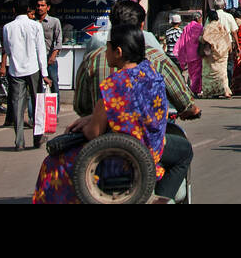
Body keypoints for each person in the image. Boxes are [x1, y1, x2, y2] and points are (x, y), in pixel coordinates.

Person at [33, 25, 191, 204]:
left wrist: (87, 123)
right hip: (153, 149)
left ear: (118, 52)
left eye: (107, 48)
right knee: (185, 151)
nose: (105, 52)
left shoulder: (113, 85)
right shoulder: (152, 73)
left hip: (116, 157)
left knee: (51, 163)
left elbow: (94, 133)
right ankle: (165, 198)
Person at [74, 0, 200, 122]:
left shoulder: (95, 60)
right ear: (141, 26)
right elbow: (184, 102)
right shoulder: (156, 59)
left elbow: (81, 107)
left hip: (104, 135)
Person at [0, 0, 50, 150]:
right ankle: (37, 137)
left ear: (14, 10)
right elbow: (41, 50)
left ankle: (19, 140)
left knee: (17, 105)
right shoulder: (35, 26)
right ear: (30, 10)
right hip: (33, 69)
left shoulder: (8, 27)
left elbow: (7, 49)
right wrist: (45, 73)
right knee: (37, 103)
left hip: (16, 70)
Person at [200, 9, 234, 98]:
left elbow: (205, 38)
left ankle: (209, 91)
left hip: (211, 54)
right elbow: (227, 38)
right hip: (223, 52)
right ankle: (225, 91)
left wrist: (199, 39)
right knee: (223, 73)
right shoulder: (222, 26)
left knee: (209, 73)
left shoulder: (208, 27)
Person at [35, 0, 63, 95]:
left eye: (42, 5)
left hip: (49, 58)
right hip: (35, 59)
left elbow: (59, 40)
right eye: (38, 6)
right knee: (37, 86)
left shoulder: (54, 21)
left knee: (54, 85)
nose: (40, 8)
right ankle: (38, 109)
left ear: (48, 7)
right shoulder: (33, 22)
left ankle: (55, 109)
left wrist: (53, 56)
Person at [171, 11, 204, 95]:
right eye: (200, 18)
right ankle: (195, 89)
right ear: (198, 18)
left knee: (191, 73)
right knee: (197, 73)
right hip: (196, 53)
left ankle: (194, 88)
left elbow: (182, 41)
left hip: (188, 54)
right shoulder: (199, 27)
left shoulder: (187, 27)